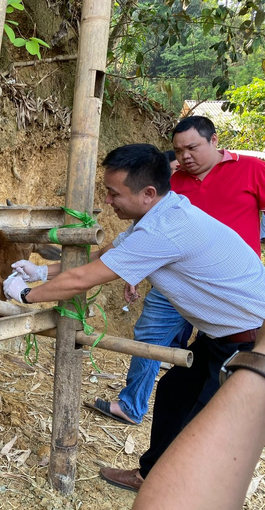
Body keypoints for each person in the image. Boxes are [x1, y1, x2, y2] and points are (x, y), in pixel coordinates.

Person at [3, 143, 265, 492]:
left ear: (148, 193)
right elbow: (105, 253)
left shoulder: (163, 229)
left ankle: (183, 492)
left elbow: (85, 278)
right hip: (224, 334)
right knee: (174, 391)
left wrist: (25, 295)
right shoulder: (162, 213)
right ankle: (150, 475)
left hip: (250, 340)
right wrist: (40, 272)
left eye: (114, 193)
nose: (108, 201)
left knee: (207, 426)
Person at [90, 116, 265, 426]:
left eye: (192, 147)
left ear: (214, 141)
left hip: (227, 288)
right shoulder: (172, 183)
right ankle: (132, 405)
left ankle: (212, 417)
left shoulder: (252, 169)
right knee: (149, 337)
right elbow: (144, 236)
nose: (185, 156)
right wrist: (134, 272)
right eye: (178, 149)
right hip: (173, 281)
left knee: (221, 352)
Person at [133, 324, 265, 510]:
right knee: (173, 388)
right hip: (217, 337)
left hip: (246, 342)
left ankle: (181, 485)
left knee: (205, 421)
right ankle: (148, 474)